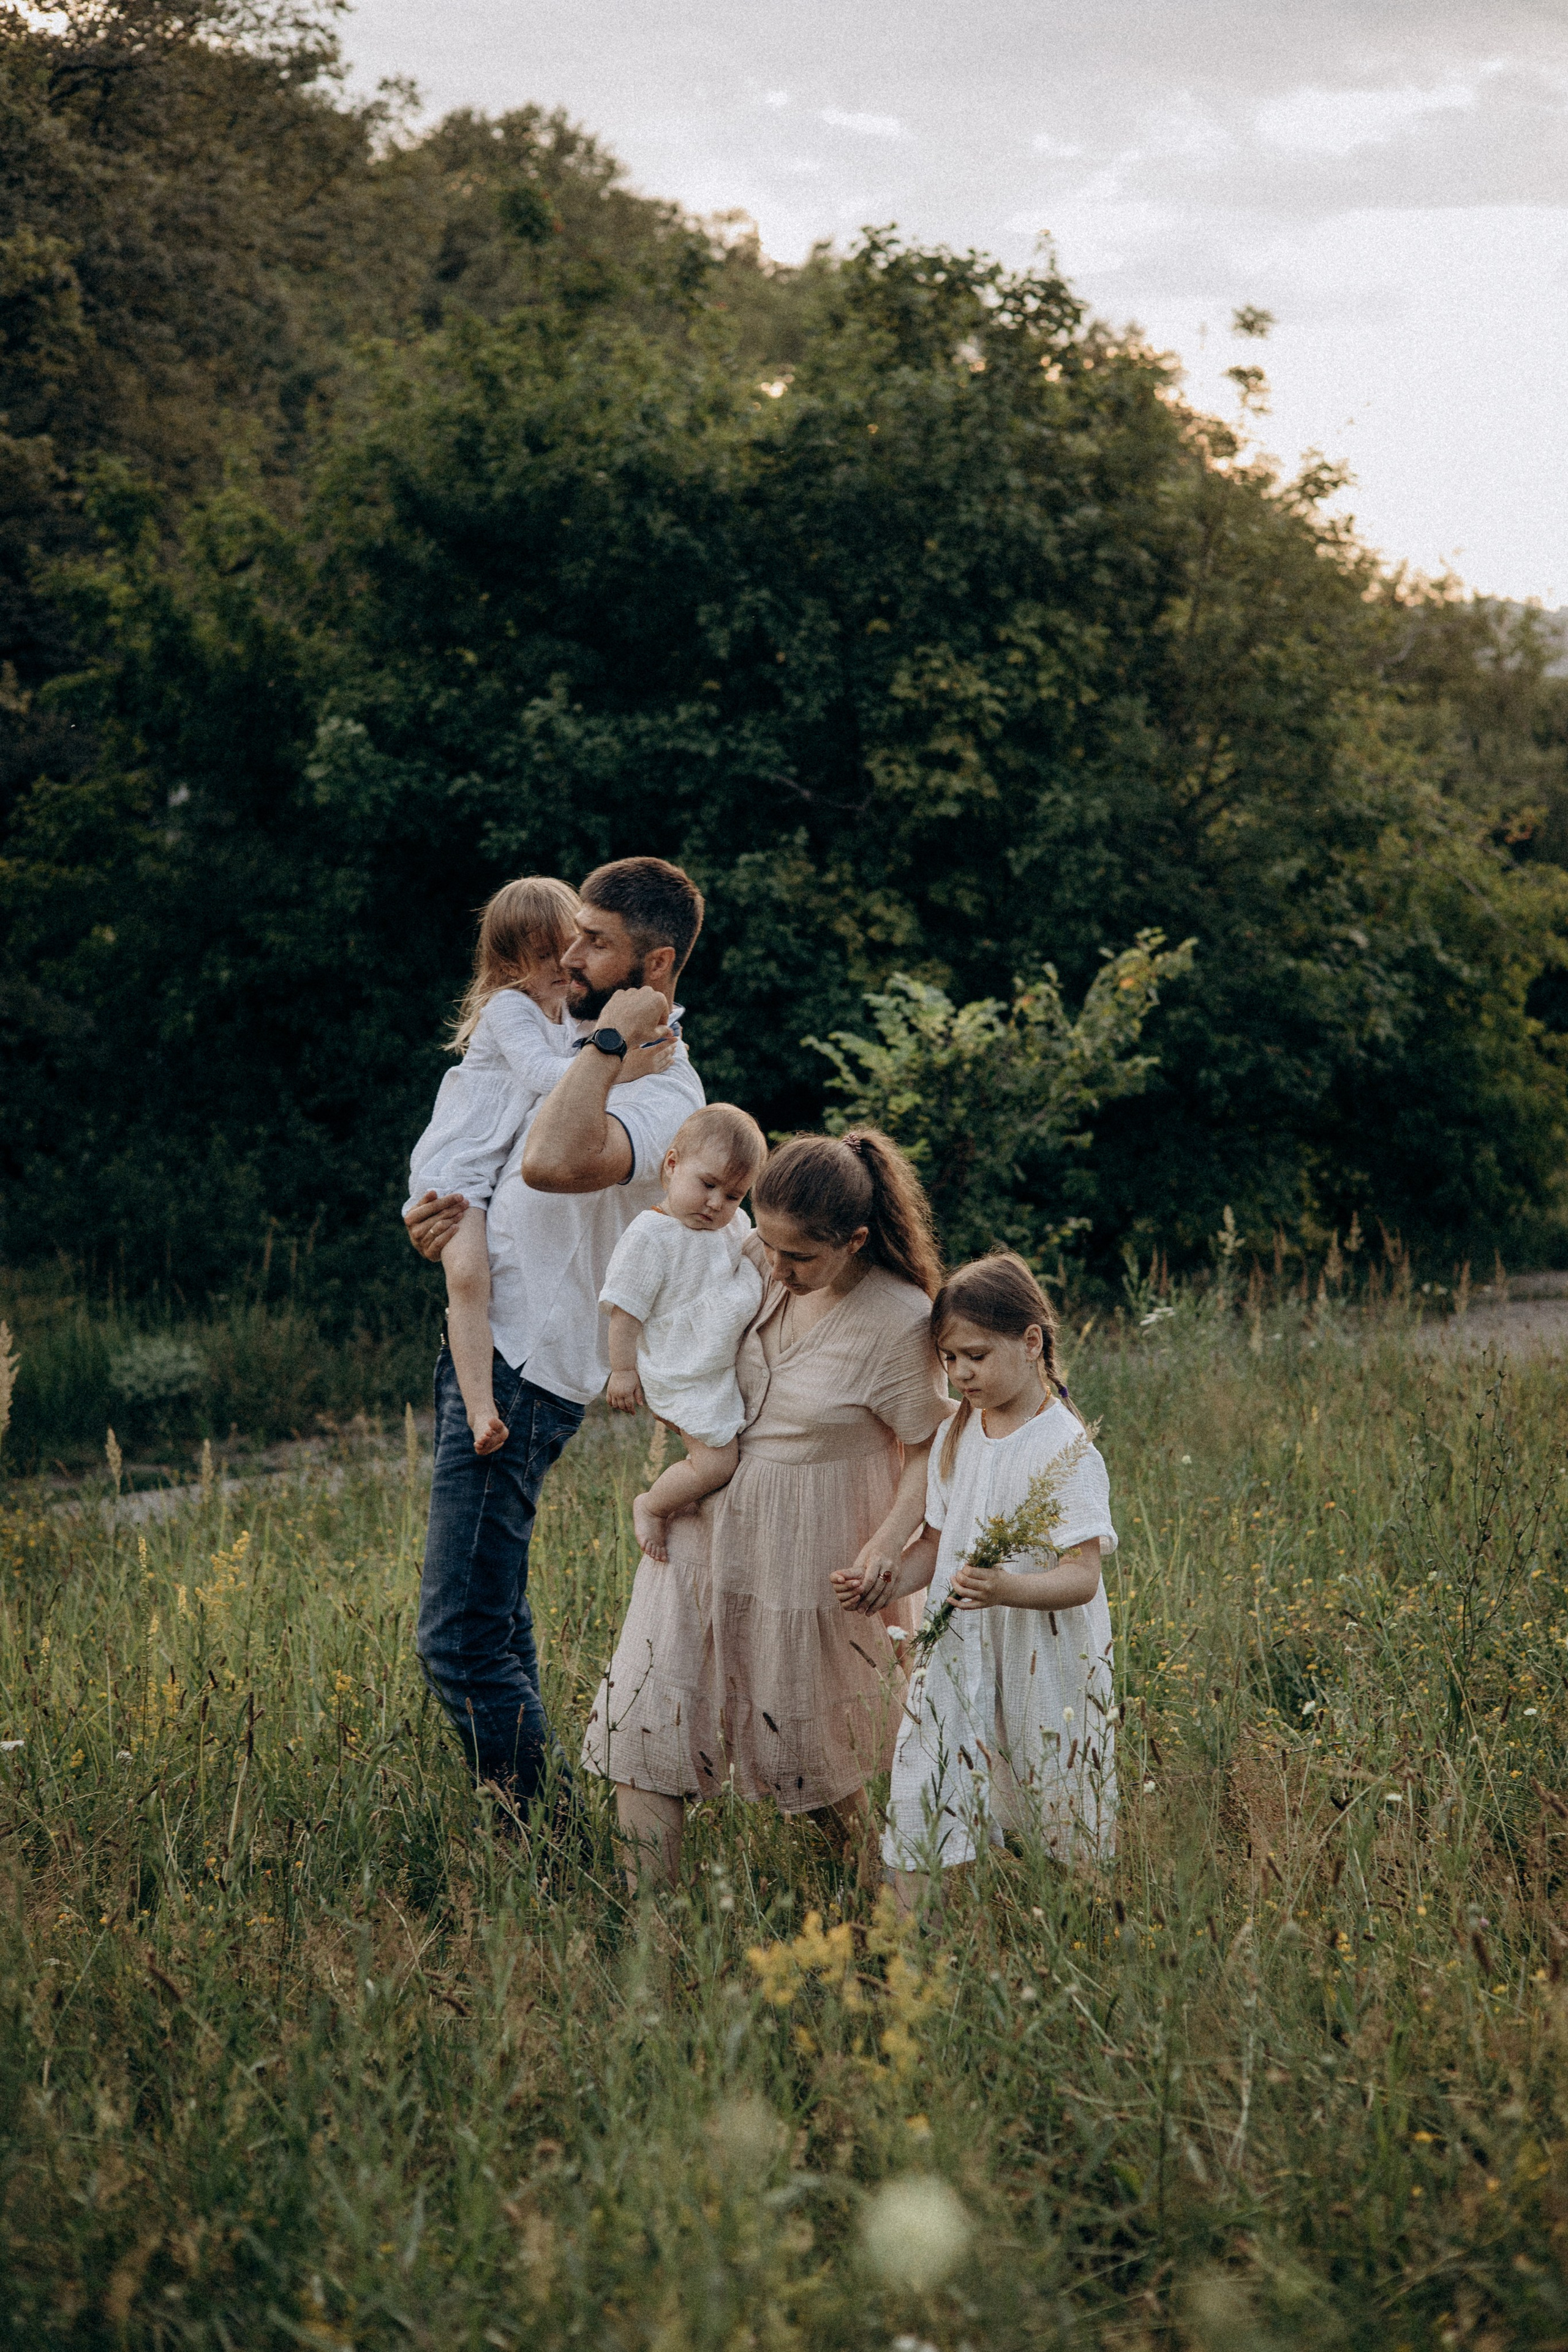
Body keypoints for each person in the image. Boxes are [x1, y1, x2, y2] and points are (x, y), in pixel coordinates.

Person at [403, 856, 706, 1814]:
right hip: (494, 1342)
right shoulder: (571, 1041)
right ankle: (533, 1838)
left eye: (596, 941)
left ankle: (555, 1845)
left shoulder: (666, 1096)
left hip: (531, 1374)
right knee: (494, 1620)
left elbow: (550, 1159)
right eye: (571, 932)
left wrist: (616, 1044)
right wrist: (438, 1228)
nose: (569, 955)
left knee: (456, 1640)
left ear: (653, 967)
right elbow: (490, 1157)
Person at [581, 1128, 952, 1890]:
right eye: (770, 1246)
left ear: (852, 1241)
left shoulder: (899, 1318)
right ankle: (649, 1930)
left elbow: (928, 1449)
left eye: (798, 1259)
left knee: (806, 1757)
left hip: (808, 1555)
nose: (774, 1268)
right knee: (649, 1717)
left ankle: (878, 1900)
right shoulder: (747, 1252)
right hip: (700, 1533)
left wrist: (887, 1544)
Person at [839, 1253, 1117, 1910]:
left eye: (976, 1356)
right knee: (922, 1786)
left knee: (1048, 1796)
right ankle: (908, 1945)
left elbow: (1080, 1577)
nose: (960, 1373)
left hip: (1037, 1656)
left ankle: (1080, 1924)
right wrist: (885, 1580)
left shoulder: (1063, 1448)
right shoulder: (956, 1432)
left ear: (1030, 1342)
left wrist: (1004, 1590)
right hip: (955, 1650)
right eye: (949, 1359)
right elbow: (937, 1545)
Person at [404, 876, 581, 1457]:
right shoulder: (509, 1009)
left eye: (567, 948)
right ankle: (479, 1410)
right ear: (510, 963)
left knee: (481, 1277)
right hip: (456, 1167)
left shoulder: (565, 1017)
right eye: (541, 956)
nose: (560, 965)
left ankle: (482, 1404)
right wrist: (619, 1058)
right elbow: (545, 1078)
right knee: (469, 1279)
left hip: (488, 1167)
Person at [600, 1103, 769, 1562]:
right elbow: (626, 1312)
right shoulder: (651, 1235)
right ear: (672, 1166)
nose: (717, 1203)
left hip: (717, 1357)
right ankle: (653, 1504)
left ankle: (693, 1503)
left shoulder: (732, 1226)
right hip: (683, 1367)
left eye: (734, 1195)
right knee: (718, 1462)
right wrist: (622, 1371)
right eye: (708, 1185)